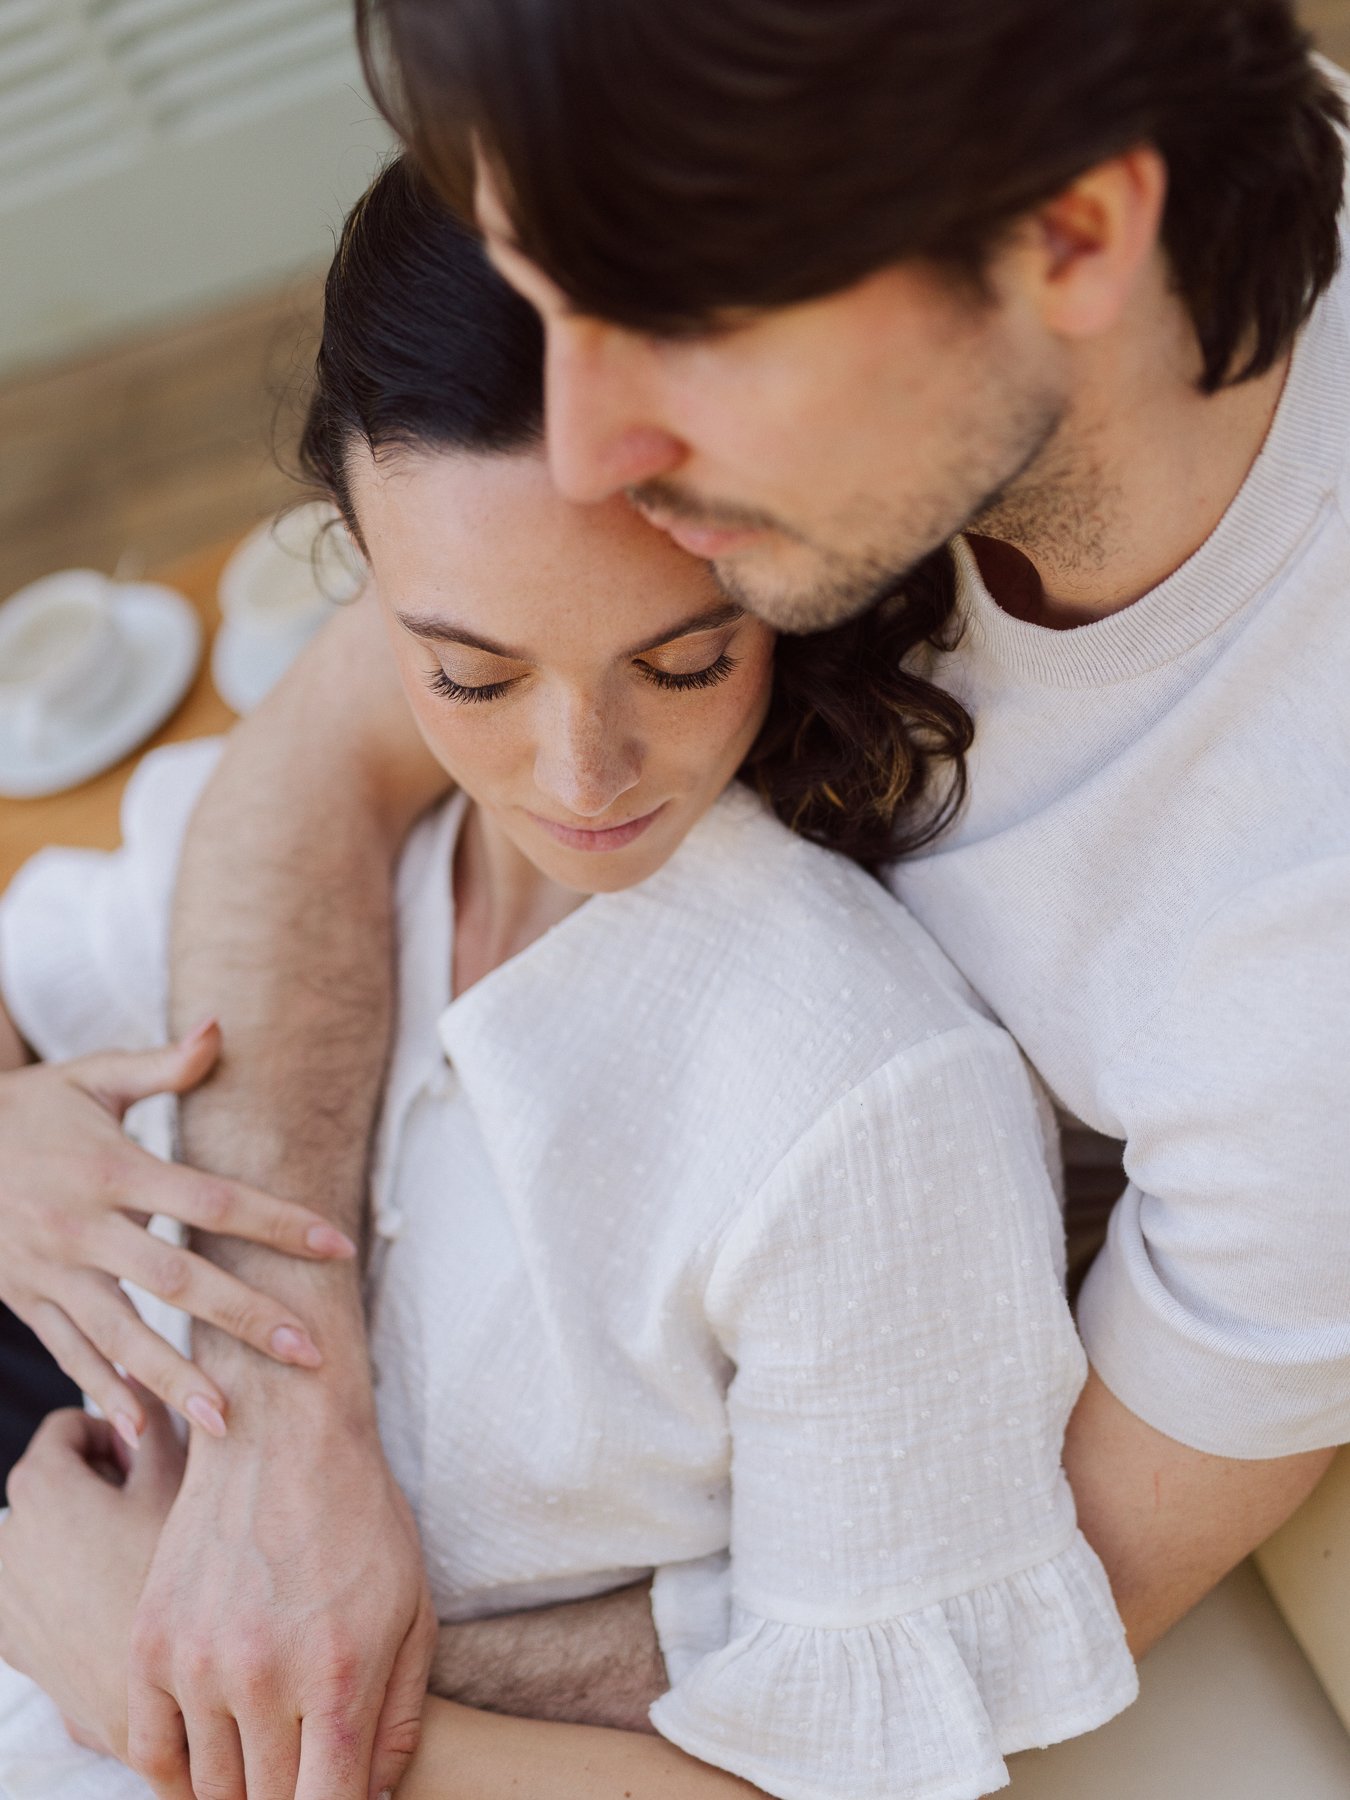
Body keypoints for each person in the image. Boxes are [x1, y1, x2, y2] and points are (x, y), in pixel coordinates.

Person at [0, 2, 1345, 1796]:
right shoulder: (854, 326)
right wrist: (275, 1428)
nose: (579, 440)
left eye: (656, 335)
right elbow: (340, 745)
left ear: (1074, 244)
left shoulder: (1290, 993)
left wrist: (190, 1656)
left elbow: (959, 1648)